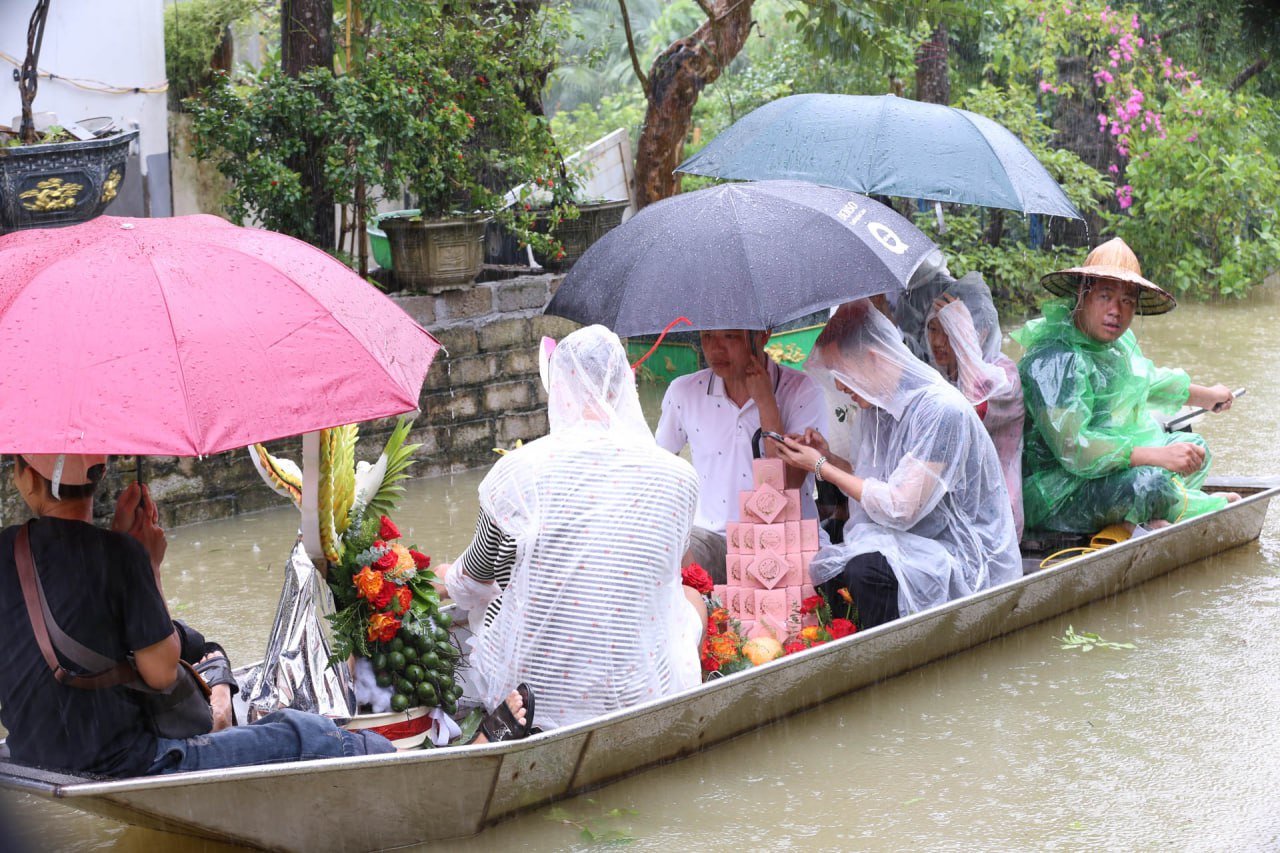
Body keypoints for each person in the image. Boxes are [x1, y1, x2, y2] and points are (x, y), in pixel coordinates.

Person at [0, 452, 406, 777]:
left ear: (28, 479)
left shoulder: (6, 551)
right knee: (311, 735)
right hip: (122, 761)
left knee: (204, 656)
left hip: (32, 754)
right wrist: (147, 564)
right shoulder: (120, 553)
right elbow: (160, 672)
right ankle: (390, 762)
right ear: (99, 476)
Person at [439, 325, 704, 730]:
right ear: (621, 389)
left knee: (493, 599)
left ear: (559, 389)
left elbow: (471, 583)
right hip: (644, 694)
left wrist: (444, 574)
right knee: (690, 596)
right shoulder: (681, 477)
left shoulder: (515, 472)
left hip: (532, 702)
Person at [769, 300, 1023, 629]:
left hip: (961, 555)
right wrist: (827, 456)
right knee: (826, 565)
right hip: (907, 539)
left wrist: (821, 467)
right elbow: (871, 482)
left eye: (841, 375)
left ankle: (890, 660)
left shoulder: (942, 410)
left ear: (873, 359)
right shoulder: (875, 407)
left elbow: (901, 505)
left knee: (866, 571)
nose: (841, 388)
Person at [1014, 237, 1238, 535]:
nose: (1116, 311)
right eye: (1106, 296)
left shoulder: (1115, 345)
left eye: (1127, 301)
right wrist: (1154, 456)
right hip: (1058, 492)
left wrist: (1208, 396)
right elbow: (1074, 450)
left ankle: (1165, 511)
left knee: (1196, 449)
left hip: (1105, 470)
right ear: (1084, 293)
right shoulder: (1055, 358)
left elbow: (1147, 381)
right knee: (1150, 483)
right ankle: (1190, 507)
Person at [655, 328, 828, 581]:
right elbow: (658, 467)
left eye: (730, 337)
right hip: (714, 537)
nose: (716, 349)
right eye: (707, 337)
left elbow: (788, 483)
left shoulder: (802, 390)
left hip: (786, 536)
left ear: (763, 335)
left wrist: (766, 403)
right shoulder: (683, 391)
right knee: (666, 551)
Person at [924, 276, 1025, 539]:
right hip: (954, 510)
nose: (937, 342)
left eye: (949, 331)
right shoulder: (943, 378)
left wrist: (965, 341)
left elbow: (971, 413)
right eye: (933, 329)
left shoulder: (1004, 375)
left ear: (978, 333)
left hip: (996, 516)